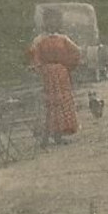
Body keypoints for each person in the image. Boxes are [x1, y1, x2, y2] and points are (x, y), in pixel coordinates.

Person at [27, 8, 84, 147]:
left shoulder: (63, 38)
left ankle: (59, 135)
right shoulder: (39, 39)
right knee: (49, 104)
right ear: (44, 22)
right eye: (48, 20)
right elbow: (33, 56)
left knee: (61, 103)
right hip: (46, 75)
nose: (52, 23)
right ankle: (45, 137)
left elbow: (77, 52)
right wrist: (38, 69)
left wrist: (68, 66)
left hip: (61, 74)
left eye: (55, 20)